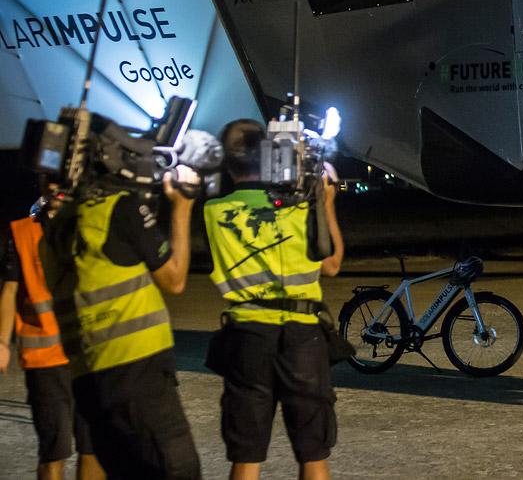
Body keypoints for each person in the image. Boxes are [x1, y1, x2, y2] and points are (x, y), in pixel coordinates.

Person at [202, 119, 344, 480]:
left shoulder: (214, 212)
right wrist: (325, 201)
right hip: (303, 337)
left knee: (246, 454)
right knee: (313, 453)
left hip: (247, 337)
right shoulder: (297, 206)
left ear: (227, 162)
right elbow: (331, 264)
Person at [43, 166, 202, 479]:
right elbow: (174, 279)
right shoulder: (117, 208)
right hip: (138, 371)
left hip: (89, 379)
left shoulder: (54, 231)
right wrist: (183, 206)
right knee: (177, 470)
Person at [0, 182, 104, 480]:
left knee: (93, 447)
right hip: (45, 360)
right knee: (53, 452)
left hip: (91, 355)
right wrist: (2, 342)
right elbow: (10, 290)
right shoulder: (22, 231)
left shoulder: (93, 224)